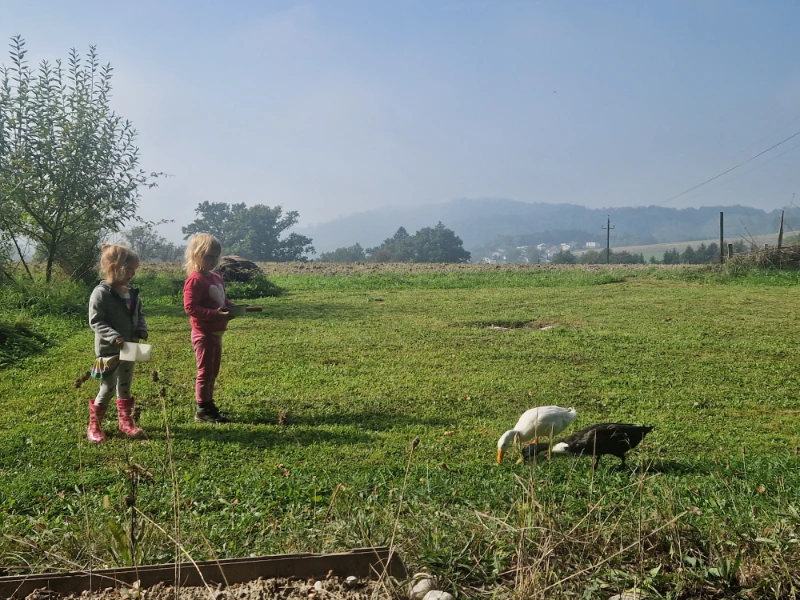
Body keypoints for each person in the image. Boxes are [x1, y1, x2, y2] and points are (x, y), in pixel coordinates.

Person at [87, 244, 148, 443]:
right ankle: (94, 425)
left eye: (134, 270)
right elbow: (95, 321)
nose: (132, 273)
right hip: (109, 349)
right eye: (129, 269)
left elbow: (140, 315)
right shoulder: (101, 293)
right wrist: (113, 336)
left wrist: (142, 328)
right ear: (114, 267)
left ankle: (126, 422)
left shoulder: (132, 293)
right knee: (108, 387)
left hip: (131, 345)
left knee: (125, 385)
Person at [183, 233, 236, 423]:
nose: (213, 261)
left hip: (217, 331)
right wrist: (216, 314)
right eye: (208, 256)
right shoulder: (195, 280)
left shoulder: (216, 278)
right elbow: (190, 308)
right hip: (203, 333)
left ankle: (209, 403)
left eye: (216, 256)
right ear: (196, 255)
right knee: (205, 371)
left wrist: (233, 307)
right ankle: (202, 409)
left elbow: (222, 300)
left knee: (214, 370)